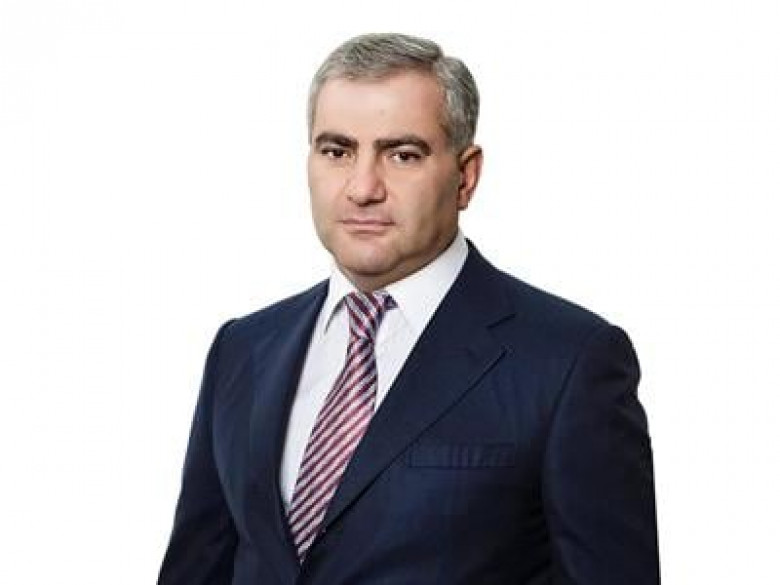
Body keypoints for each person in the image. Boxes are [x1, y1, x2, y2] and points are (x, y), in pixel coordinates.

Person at [158, 33, 660, 584]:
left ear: (465, 176)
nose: (362, 188)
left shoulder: (569, 363)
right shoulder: (243, 348)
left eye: (402, 155)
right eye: (337, 151)